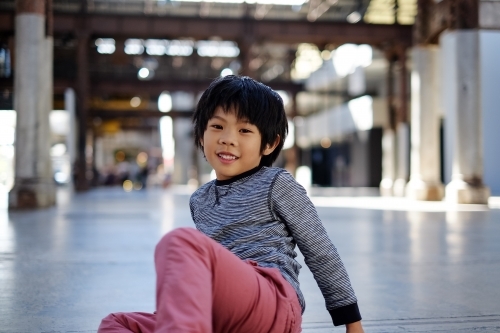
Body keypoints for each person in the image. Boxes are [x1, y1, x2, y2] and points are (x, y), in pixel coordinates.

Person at [98, 75, 364, 333]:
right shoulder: (200, 199)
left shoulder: (276, 183)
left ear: (270, 144)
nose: (227, 138)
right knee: (116, 323)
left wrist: (351, 320)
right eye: (217, 126)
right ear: (201, 135)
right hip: (222, 311)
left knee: (179, 242)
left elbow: (320, 251)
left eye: (244, 130)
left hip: (272, 301)